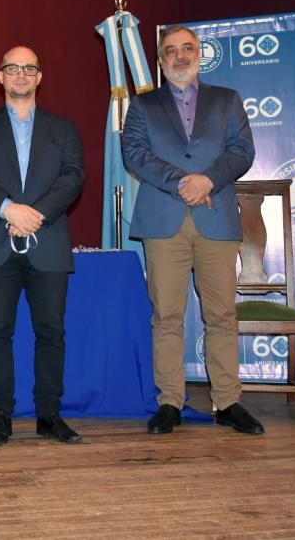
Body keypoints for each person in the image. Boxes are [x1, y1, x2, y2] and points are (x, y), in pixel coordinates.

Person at [122, 25, 261, 435]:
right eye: (170, 51)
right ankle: (170, 402)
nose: (180, 56)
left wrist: (209, 180)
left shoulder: (227, 100)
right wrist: (185, 182)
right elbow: (134, 153)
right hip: (163, 221)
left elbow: (242, 151)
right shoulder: (143, 105)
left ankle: (229, 401)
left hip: (216, 217)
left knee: (221, 314)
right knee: (166, 315)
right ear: (161, 60)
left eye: (187, 49)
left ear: (200, 54)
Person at [0, 46, 85, 446]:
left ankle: (49, 415)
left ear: (39, 77)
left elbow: (72, 177)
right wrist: (10, 209)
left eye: (29, 68)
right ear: (0, 77)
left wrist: (36, 215)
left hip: (48, 242)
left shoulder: (63, 128)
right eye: (12, 68)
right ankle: (1, 416)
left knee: (51, 332)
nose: (20, 74)